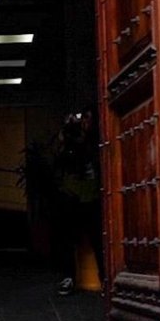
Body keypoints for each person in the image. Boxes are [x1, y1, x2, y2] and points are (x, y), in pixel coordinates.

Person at [50, 108, 103, 296]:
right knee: (67, 238)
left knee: (98, 238)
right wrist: (66, 133)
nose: (83, 122)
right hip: (71, 195)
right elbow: (58, 159)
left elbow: (92, 157)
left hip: (91, 196)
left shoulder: (95, 139)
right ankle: (68, 277)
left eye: (87, 119)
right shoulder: (68, 140)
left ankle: (105, 279)